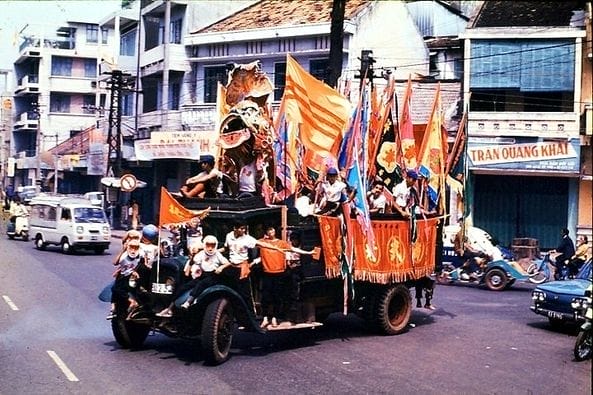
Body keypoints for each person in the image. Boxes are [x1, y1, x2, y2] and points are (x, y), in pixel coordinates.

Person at [107, 238, 145, 319]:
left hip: (133, 277)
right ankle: (114, 308)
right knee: (115, 288)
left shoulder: (141, 254)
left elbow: (143, 263)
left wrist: (136, 271)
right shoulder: (124, 256)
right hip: (125, 275)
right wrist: (123, 250)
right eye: (131, 247)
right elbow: (115, 262)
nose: (133, 249)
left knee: (117, 288)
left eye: (136, 247)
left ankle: (133, 302)